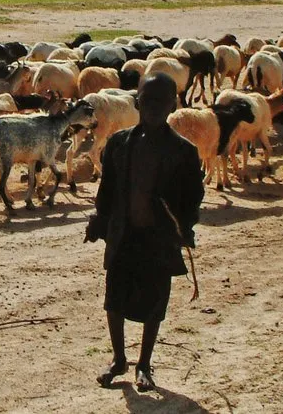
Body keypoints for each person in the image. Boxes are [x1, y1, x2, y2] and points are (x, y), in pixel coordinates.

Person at [84, 72, 204, 391]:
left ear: (172, 105)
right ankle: (119, 359)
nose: (152, 107)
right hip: (124, 232)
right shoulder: (119, 144)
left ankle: (145, 363)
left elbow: (193, 196)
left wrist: (184, 225)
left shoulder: (183, 151)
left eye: (160, 101)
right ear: (137, 102)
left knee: (155, 302)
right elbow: (107, 189)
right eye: (147, 100)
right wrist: (99, 220)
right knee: (114, 300)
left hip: (158, 237)